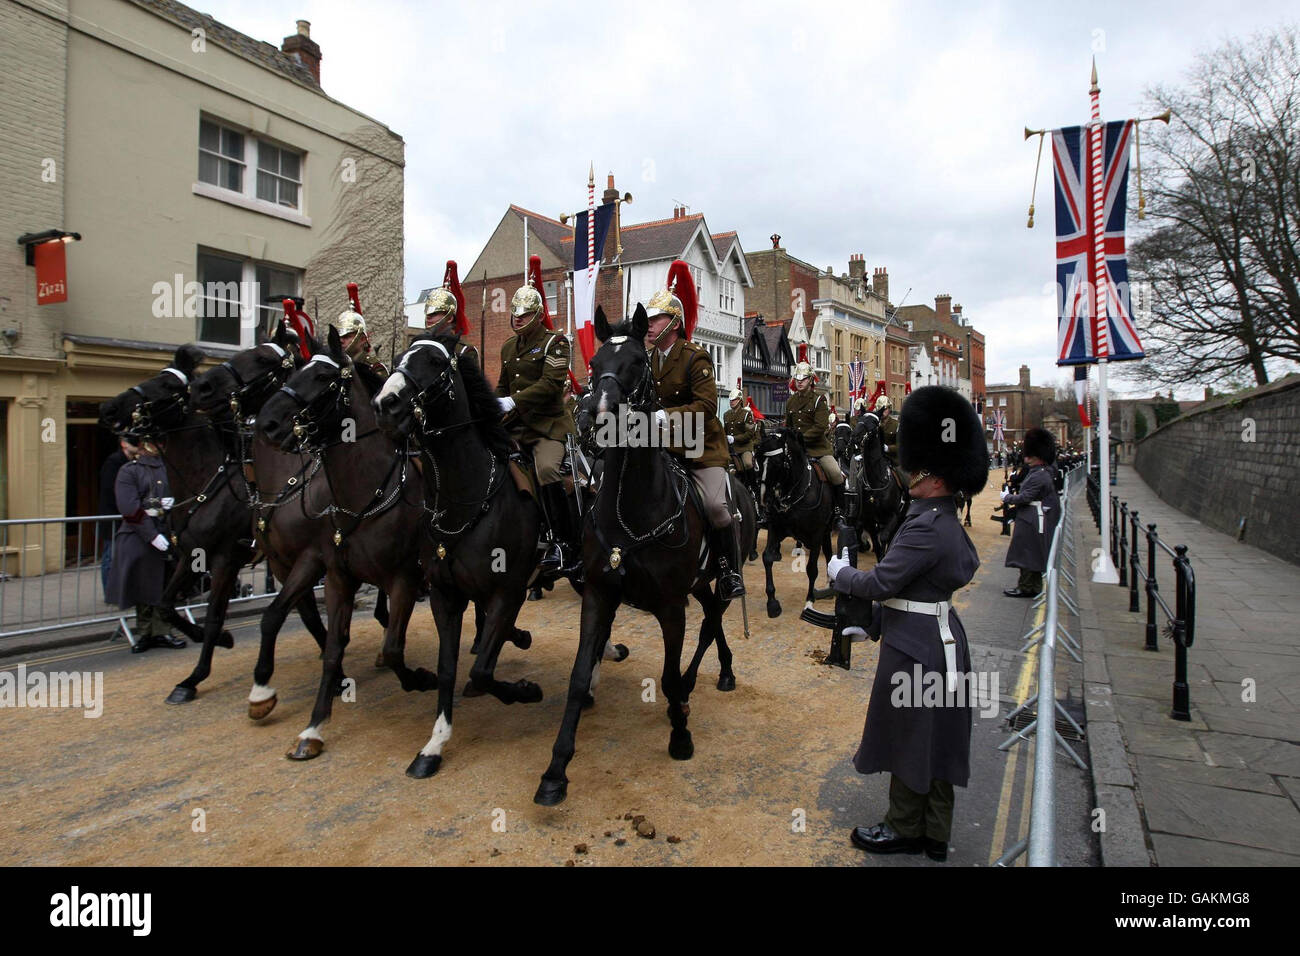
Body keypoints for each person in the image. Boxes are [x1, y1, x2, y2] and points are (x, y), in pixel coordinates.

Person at [825, 385, 989, 862]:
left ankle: (902, 827)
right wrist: (871, 625)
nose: (908, 474)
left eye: (918, 470)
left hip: (918, 647)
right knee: (936, 736)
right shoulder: (943, 522)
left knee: (909, 734)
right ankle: (935, 831)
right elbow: (912, 592)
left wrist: (842, 575)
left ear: (937, 479)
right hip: (937, 636)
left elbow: (882, 583)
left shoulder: (923, 526)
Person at [645, 260, 745, 600]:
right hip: (662, 446)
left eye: (655, 319)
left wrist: (664, 417)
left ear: (673, 323)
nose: (649, 324)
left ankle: (729, 570)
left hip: (701, 448)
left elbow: (705, 408)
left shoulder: (694, 357)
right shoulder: (648, 360)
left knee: (717, 508)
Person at [497, 256, 579, 576]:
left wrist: (512, 403)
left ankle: (563, 541)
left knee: (546, 470)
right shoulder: (507, 349)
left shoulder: (555, 343)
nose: (518, 318)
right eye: (515, 313)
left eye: (526, 313)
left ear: (538, 314)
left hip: (549, 427)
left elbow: (549, 386)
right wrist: (493, 409)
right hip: (516, 427)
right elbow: (502, 389)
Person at [105, 436, 187, 652]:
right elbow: (129, 508)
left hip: (168, 531)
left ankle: (163, 630)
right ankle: (145, 631)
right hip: (138, 534)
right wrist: (151, 535)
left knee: (165, 583)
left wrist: (175, 504)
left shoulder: (171, 468)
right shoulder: (129, 471)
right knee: (142, 584)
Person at [1001, 426, 1060, 598]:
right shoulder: (1040, 472)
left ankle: (1026, 586)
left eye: (1030, 455)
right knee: (1033, 551)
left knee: (1026, 551)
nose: (1027, 457)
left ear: (1038, 456)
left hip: (1032, 517)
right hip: (1034, 515)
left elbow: (1025, 497)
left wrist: (1007, 497)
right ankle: (1033, 586)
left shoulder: (1039, 475)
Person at [784, 361, 847, 520]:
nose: (799, 382)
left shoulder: (819, 400)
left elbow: (820, 427)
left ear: (810, 380)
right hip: (796, 450)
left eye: (803, 379)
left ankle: (841, 510)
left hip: (818, 448)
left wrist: (801, 439)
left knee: (835, 474)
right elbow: (789, 425)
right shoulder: (790, 401)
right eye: (797, 379)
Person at [424, 260, 478, 365]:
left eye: (435, 313)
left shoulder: (463, 351)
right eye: (428, 313)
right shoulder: (419, 346)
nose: (428, 317)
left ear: (449, 318)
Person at [98, 438, 134, 599]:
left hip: (126, 517)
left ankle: (123, 590)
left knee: (122, 556)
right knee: (110, 556)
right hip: (113, 516)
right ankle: (110, 592)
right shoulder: (114, 462)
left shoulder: (132, 463)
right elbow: (110, 489)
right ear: (123, 443)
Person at [335, 283, 388, 376]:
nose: (341, 340)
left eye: (347, 336)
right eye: (339, 336)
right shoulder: (334, 364)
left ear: (362, 339)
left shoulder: (375, 368)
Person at [723, 386, 758, 483]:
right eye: (730, 400)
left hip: (744, 447)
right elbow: (725, 431)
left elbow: (750, 434)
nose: (731, 402)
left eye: (734, 400)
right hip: (731, 448)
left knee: (747, 464)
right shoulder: (726, 414)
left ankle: (753, 485)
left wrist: (734, 438)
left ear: (739, 400)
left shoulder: (746, 414)